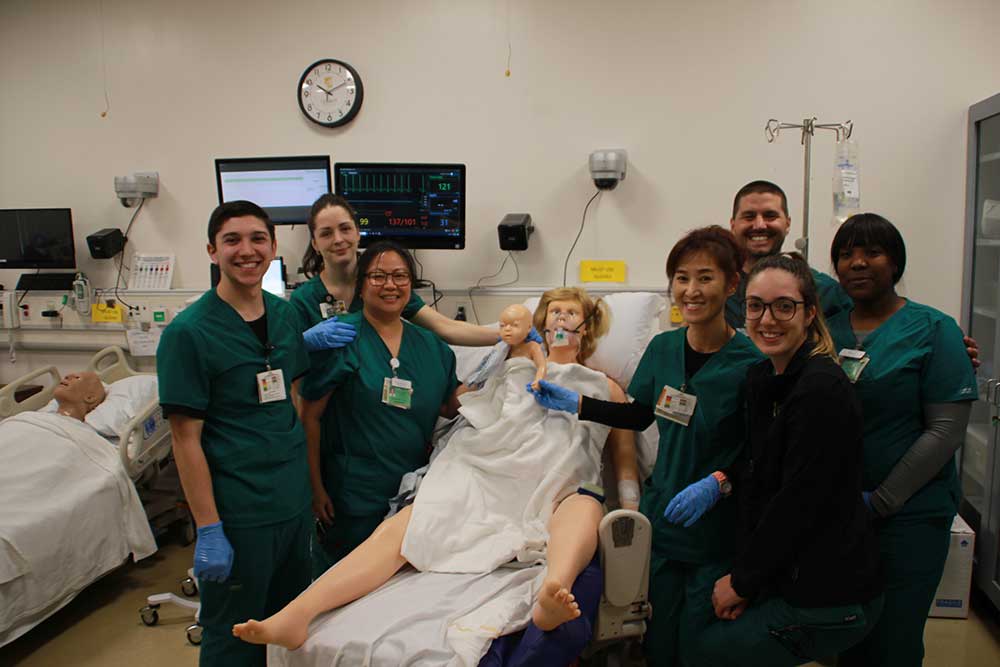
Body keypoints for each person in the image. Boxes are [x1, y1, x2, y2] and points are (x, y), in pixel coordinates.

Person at [232, 287, 639, 667]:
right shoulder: (512, 367)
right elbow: (467, 407)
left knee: (585, 507)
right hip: (487, 466)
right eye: (555, 312)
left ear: (589, 326)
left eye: (572, 313)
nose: (562, 320)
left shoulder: (605, 387)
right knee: (407, 525)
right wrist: (516, 356)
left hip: (560, 477)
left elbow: (624, 459)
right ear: (542, 323)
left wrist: (632, 507)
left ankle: (552, 593)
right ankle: (298, 613)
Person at [530, 227, 762, 666]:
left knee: (701, 646)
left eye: (705, 278)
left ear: (733, 284)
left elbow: (761, 453)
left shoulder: (752, 366)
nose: (691, 291)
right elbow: (638, 415)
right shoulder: (662, 349)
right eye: (681, 277)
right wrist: (579, 403)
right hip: (663, 520)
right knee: (655, 643)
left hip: (718, 530)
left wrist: (720, 483)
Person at [686, 252, 883, 667]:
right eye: (756, 306)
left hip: (829, 590)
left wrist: (742, 583)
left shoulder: (821, 390)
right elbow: (761, 468)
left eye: (783, 306)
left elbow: (798, 502)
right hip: (785, 567)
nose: (767, 319)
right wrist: (722, 479)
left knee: (706, 652)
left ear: (809, 313)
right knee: (695, 609)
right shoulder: (764, 379)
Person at [156, 200, 312, 667]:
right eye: (232, 240)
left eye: (257, 239)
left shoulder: (285, 316)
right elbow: (185, 439)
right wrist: (208, 528)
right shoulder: (189, 333)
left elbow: (294, 400)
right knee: (234, 637)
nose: (247, 251)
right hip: (238, 512)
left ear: (273, 246)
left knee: (291, 624)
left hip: (292, 503)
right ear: (211, 250)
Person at [825, 214, 976, 667]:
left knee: (893, 639)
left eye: (871, 252)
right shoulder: (826, 329)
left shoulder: (934, 329)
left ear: (896, 262)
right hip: (838, 514)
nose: (857, 263)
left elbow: (946, 429)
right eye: (846, 254)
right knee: (844, 634)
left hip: (908, 517)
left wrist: (882, 501)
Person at [298, 240, 463, 576]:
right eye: (378, 276)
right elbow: (310, 417)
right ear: (361, 285)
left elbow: (450, 405)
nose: (390, 285)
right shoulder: (342, 339)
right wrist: (314, 487)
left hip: (411, 490)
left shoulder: (432, 347)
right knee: (345, 586)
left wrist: (510, 369)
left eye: (400, 276)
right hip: (353, 495)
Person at [291, 193, 502, 352]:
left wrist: (505, 336)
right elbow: (287, 360)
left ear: (357, 233)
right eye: (326, 233)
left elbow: (445, 327)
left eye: (345, 229)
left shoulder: (383, 284)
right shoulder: (304, 300)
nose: (338, 239)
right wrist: (303, 343)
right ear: (315, 243)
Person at [725, 180, 852, 329]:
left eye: (770, 216)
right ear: (733, 225)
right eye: (749, 217)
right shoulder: (719, 290)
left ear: (787, 224)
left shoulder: (824, 291)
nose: (759, 225)